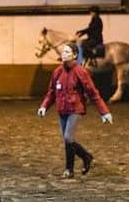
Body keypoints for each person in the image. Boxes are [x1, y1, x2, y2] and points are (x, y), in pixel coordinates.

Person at [38, 42, 113, 179]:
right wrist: (44, 106)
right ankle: (81, 161)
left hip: (75, 109)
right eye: (63, 52)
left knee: (68, 138)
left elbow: (93, 93)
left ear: (75, 55)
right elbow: (51, 92)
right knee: (68, 140)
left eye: (67, 52)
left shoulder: (81, 72)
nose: (64, 54)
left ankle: (75, 164)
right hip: (62, 109)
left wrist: (104, 111)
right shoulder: (57, 72)